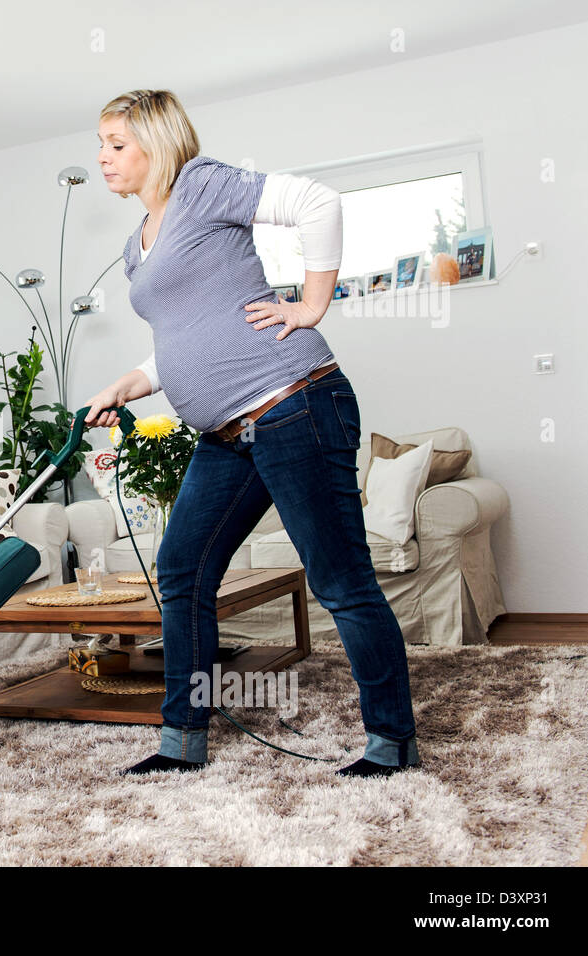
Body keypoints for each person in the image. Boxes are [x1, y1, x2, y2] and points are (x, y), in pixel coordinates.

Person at [84, 89, 420, 778]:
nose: (103, 157)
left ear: (158, 141)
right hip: (228, 433)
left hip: (293, 404)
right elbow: (189, 333)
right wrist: (129, 382)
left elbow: (317, 203)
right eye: (101, 145)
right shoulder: (134, 245)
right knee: (182, 569)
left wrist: (312, 301)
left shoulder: (203, 184)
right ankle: (182, 741)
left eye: (117, 144)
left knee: (341, 581)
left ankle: (391, 744)